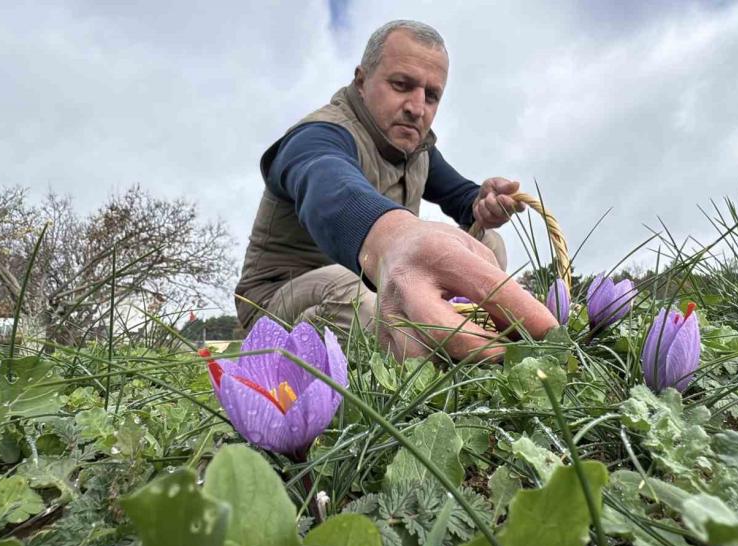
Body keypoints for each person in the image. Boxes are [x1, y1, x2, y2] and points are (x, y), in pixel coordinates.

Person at [236, 19, 557, 361]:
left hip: (377, 282)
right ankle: (440, 358)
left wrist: (485, 201)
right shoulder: (317, 135)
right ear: (361, 81)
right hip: (277, 299)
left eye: (431, 96)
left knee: (488, 241)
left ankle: (460, 335)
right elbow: (327, 183)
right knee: (350, 289)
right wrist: (397, 237)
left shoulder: (418, 151)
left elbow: (462, 198)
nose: (417, 108)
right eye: (402, 85)